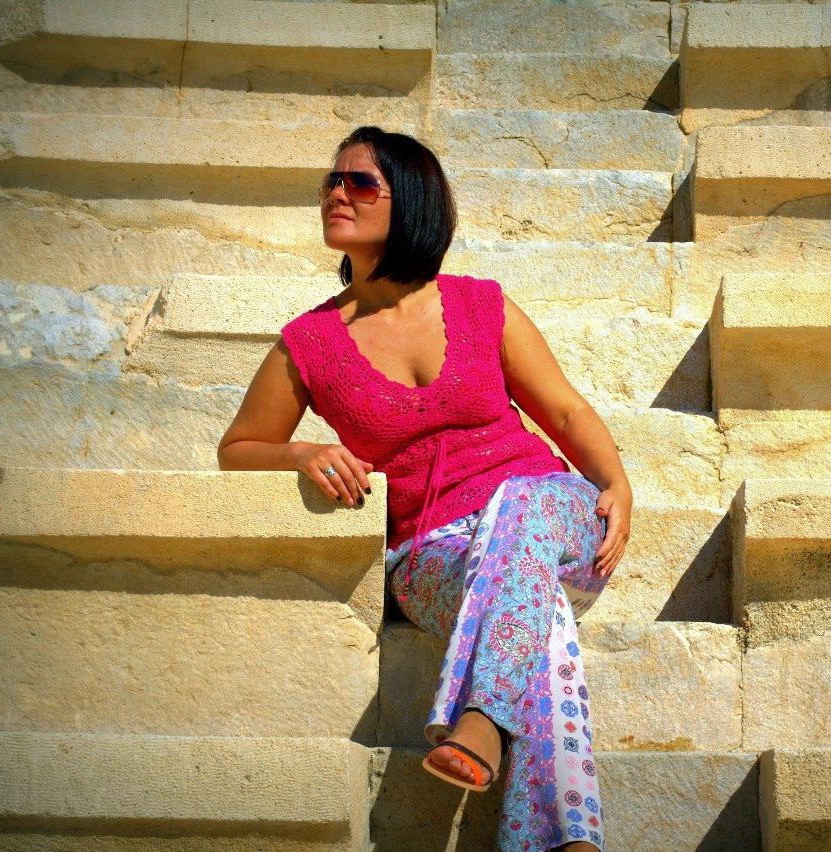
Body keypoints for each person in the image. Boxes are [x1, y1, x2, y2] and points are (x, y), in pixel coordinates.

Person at [217, 126, 633, 852]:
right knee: (544, 630)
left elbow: (564, 412)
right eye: (331, 180)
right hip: (432, 554)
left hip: (551, 514)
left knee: (521, 505)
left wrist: (615, 480)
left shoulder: (479, 306)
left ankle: (484, 716)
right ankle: (570, 841)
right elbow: (237, 449)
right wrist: (304, 451)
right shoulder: (310, 342)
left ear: (409, 201)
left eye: (359, 182)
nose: (336, 193)